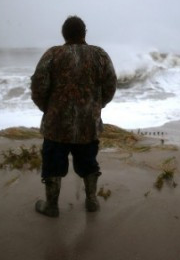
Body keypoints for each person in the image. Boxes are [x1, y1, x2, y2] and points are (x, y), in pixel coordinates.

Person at [30, 15, 117, 218]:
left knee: (53, 165)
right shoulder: (100, 55)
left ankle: (52, 206)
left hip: (56, 126)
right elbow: (111, 85)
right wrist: (96, 106)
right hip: (88, 125)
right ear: (84, 33)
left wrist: (48, 109)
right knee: (88, 163)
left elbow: (38, 86)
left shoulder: (53, 54)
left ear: (64, 34)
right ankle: (92, 201)